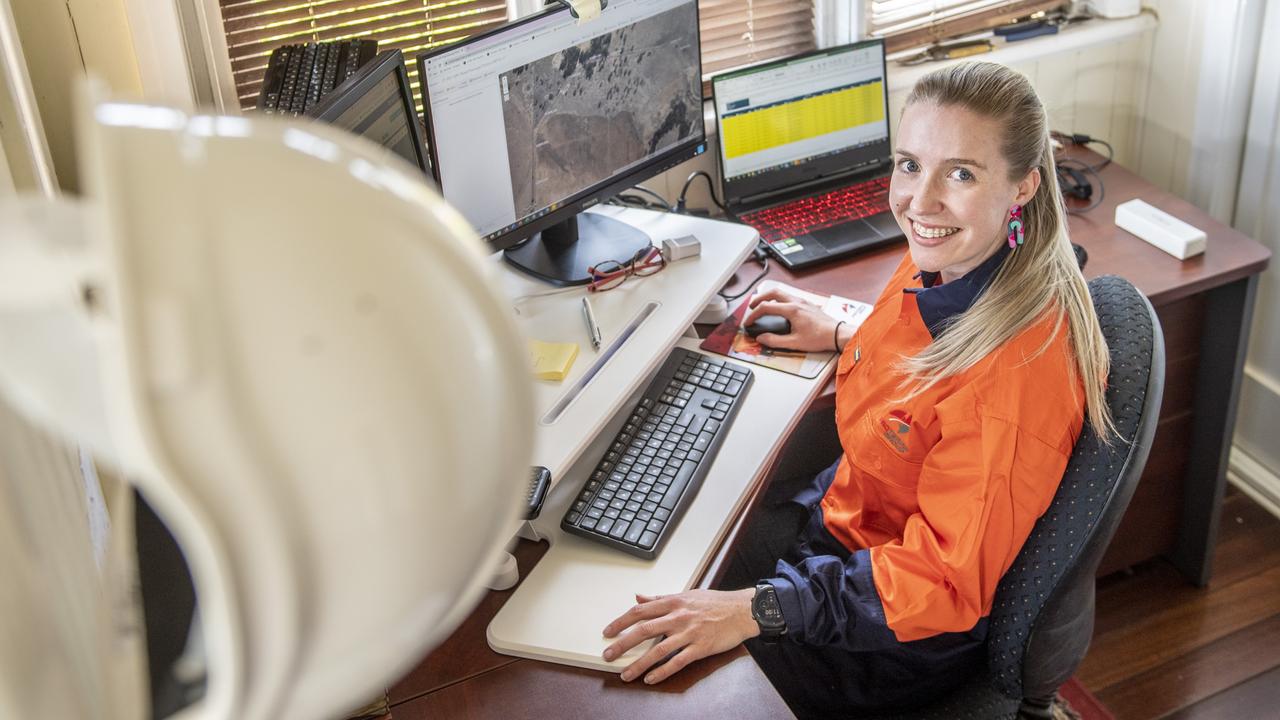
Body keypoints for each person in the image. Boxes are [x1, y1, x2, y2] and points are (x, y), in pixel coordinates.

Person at [600, 61, 1116, 716]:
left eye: (961, 172)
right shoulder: (959, 254)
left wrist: (752, 610)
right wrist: (847, 327)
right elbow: (926, 360)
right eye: (909, 163)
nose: (919, 200)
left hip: (889, 630)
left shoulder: (1010, 385)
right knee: (657, 572)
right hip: (845, 532)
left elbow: (940, 583)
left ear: (1022, 187)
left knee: (651, 687)